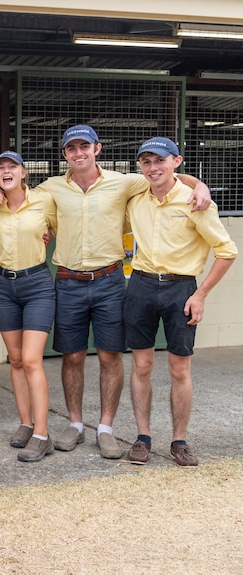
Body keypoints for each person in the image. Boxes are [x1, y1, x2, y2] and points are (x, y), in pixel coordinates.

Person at [0, 124, 212, 460]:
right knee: (72, 356)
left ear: (97, 149)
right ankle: (75, 423)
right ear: (64, 155)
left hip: (109, 281)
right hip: (67, 281)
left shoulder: (124, 182)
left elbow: (167, 176)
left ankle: (105, 427)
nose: (78, 153)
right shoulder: (50, 189)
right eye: (71, 149)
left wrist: (201, 186)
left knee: (109, 356)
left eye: (84, 147)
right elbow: (22, 199)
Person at [124, 137, 236, 467]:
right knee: (141, 365)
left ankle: (179, 441)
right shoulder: (135, 199)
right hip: (141, 286)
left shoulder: (195, 202)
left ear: (177, 161)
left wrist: (200, 295)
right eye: (146, 161)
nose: (152, 167)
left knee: (179, 369)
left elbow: (227, 252)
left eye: (160, 160)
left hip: (181, 289)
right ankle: (143, 438)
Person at [0, 151, 57, 462]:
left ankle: (42, 435)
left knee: (31, 359)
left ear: (24, 173)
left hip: (37, 283)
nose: (6, 171)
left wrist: (50, 234)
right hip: (2, 285)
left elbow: (59, 228)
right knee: (15, 360)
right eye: (0, 168)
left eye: (12, 166)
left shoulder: (44, 200)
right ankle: (26, 424)